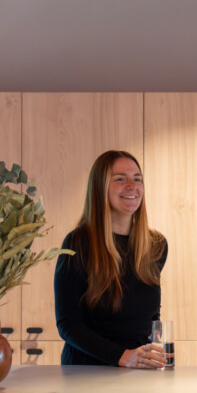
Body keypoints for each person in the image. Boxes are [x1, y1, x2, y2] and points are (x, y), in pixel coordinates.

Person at [55, 150, 168, 368]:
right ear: (100, 187)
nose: (132, 186)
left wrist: (153, 349)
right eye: (120, 179)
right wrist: (122, 356)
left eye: (137, 179)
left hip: (137, 370)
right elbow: (68, 324)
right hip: (86, 372)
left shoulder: (156, 245)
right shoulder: (77, 243)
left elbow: (151, 315)